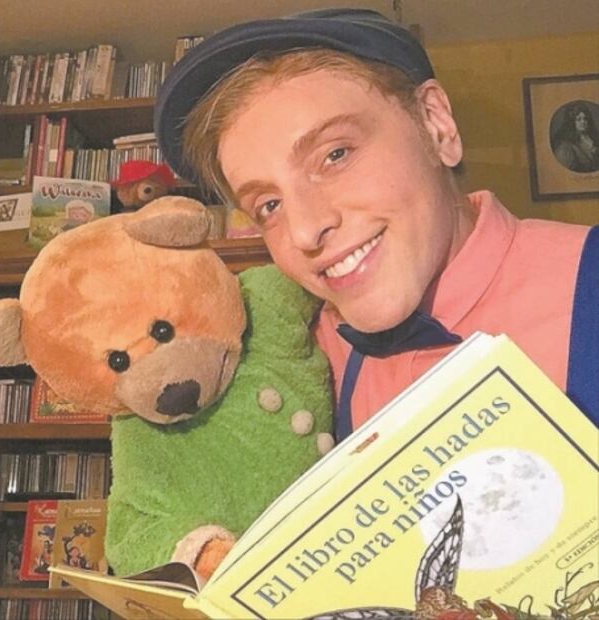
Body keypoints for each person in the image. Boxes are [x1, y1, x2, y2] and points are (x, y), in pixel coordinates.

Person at [155, 8, 598, 435]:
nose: (305, 230)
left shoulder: (585, 286)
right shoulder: (304, 365)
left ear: (436, 126)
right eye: (269, 205)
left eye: (335, 155)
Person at [551, 101, 599, 173]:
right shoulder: (566, 146)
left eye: (585, 118)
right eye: (579, 119)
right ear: (572, 122)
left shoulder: (593, 138)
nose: (583, 122)